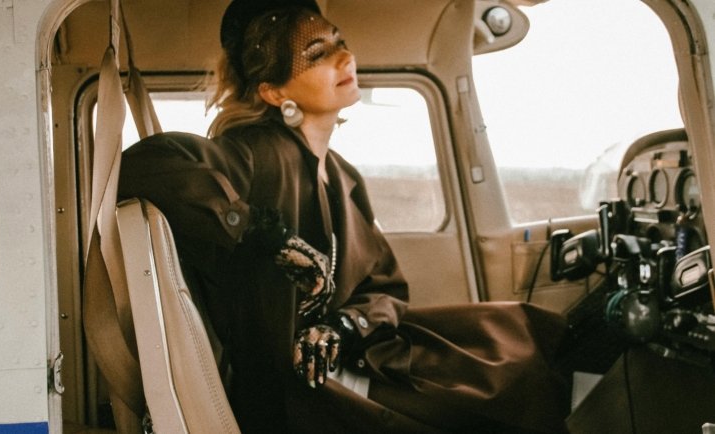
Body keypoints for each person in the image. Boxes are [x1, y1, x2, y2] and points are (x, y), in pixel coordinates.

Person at [118, 0, 571, 432]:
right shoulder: (251, 152)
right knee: (506, 387)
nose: (346, 57)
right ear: (274, 92)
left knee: (515, 332)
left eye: (340, 42)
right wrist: (265, 234)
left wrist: (345, 324)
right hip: (299, 390)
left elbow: (384, 288)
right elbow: (143, 165)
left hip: (350, 353)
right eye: (318, 53)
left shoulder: (342, 175)